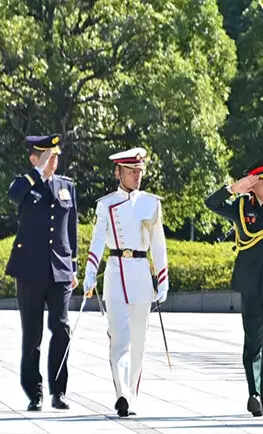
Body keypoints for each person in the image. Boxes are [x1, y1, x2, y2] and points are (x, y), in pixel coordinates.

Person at [205, 158, 263, 417]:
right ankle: (254, 393)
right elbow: (211, 203)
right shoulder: (241, 206)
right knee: (253, 342)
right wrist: (234, 188)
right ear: (253, 184)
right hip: (251, 284)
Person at [83, 147, 168, 417]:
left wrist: (163, 280)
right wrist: (89, 274)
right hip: (115, 272)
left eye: (140, 171)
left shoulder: (151, 203)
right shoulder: (106, 204)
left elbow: (159, 244)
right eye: (131, 171)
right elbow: (98, 240)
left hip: (141, 274)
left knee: (139, 341)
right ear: (118, 172)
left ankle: (131, 393)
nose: (137, 176)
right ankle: (121, 394)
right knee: (119, 338)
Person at [6, 134, 78, 411]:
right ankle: (34, 392)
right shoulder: (24, 184)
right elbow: (14, 196)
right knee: (32, 334)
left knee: (61, 329)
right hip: (30, 270)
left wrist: (73, 265)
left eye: (56, 156)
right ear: (34, 158)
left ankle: (58, 391)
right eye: (47, 156)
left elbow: (70, 228)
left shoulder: (66, 186)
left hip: (59, 270)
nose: (53, 161)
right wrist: (38, 171)